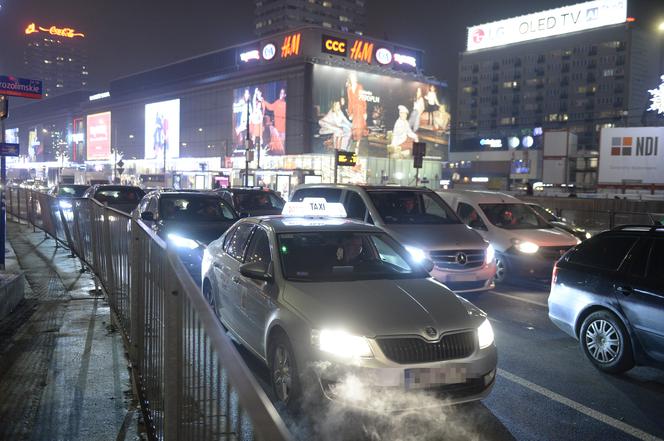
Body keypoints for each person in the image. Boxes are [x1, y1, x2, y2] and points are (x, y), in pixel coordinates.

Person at [346, 72, 367, 151]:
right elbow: (350, 101)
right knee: (355, 127)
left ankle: (358, 145)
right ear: (350, 78)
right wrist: (350, 113)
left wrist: (365, 112)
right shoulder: (349, 88)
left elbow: (363, 99)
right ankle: (356, 143)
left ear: (356, 78)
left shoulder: (360, 86)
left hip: (360, 108)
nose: (353, 78)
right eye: (351, 77)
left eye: (354, 77)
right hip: (354, 110)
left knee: (360, 126)